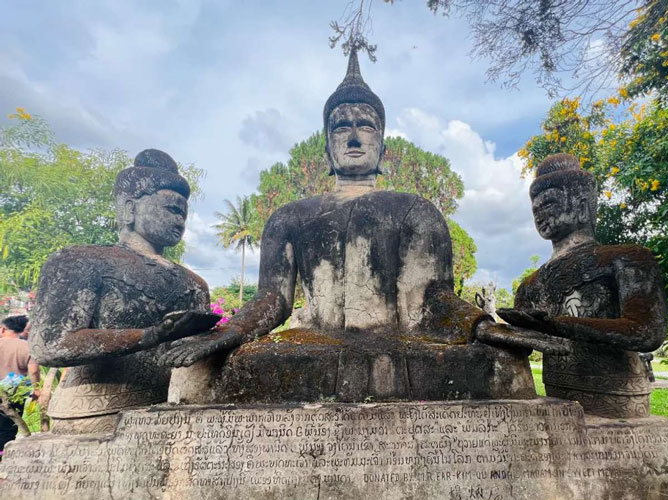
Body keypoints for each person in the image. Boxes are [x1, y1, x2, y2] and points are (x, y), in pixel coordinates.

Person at [164, 51, 567, 404]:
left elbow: (433, 298)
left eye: (366, 126)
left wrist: (482, 327)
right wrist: (228, 333)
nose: (354, 137)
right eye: (341, 127)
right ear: (326, 145)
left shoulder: (414, 210)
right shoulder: (290, 217)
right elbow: (274, 300)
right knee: (218, 368)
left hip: (401, 346)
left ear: (383, 145)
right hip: (313, 347)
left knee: (498, 364)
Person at [29, 150, 211, 434]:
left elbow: (194, 357)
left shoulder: (194, 284)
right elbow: (50, 344)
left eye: (184, 215)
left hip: (173, 410)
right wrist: (148, 336)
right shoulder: (80, 261)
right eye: (171, 209)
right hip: (95, 413)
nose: (180, 221)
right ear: (129, 207)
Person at [498, 153, 668, 418]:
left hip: (618, 400)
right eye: (536, 209)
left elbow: (647, 332)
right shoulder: (530, 285)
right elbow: (523, 345)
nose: (541, 214)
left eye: (550, 203)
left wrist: (558, 325)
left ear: (581, 204)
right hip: (557, 398)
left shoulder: (625, 259)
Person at [0, 315, 39, 452]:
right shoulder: (28, 347)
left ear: (3, 329)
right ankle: (3, 456)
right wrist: (36, 389)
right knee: (8, 428)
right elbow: (33, 371)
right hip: (15, 392)